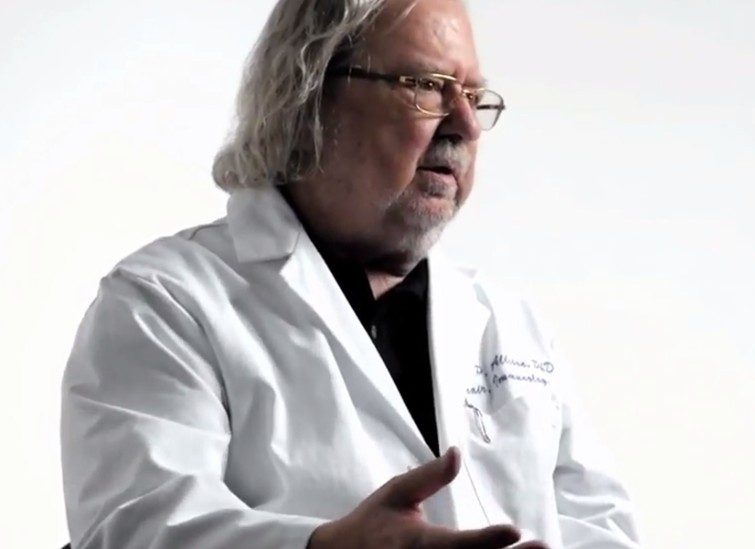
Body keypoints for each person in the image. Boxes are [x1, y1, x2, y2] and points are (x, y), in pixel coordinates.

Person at [59, 0, 641, 547]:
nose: (464, 123)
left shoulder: (510, 323)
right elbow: (135, 528)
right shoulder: (166, 302)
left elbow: (600, 527)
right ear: (308, 94)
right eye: (426, 86)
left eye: (473, 95)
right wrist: (323, 547)